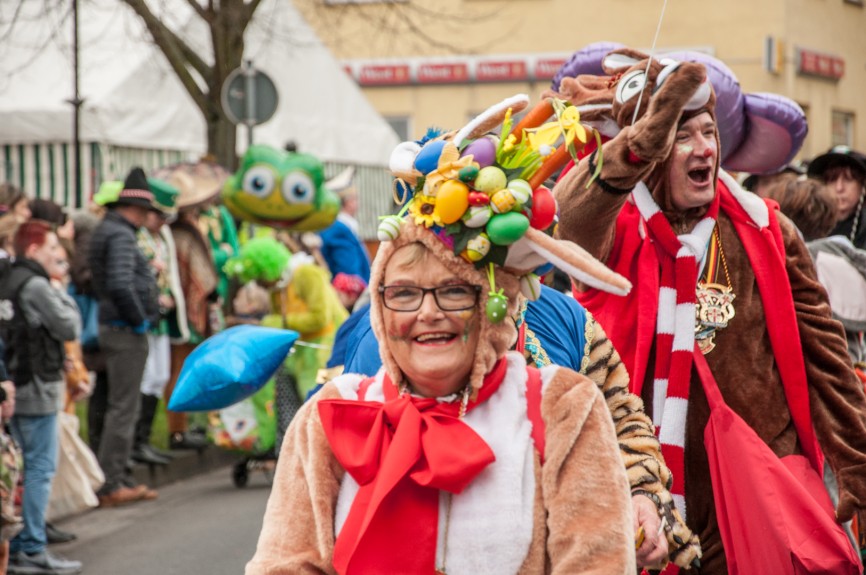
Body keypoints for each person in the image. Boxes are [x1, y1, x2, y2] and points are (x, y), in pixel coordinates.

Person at [553, 48, 866, 573]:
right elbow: (572, 217)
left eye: (709, 132)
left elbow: (826, 356)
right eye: (681, 134)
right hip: (650, 507)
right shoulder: (616, 233)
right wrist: (635, 147)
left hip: (765, 488)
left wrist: (857, 462)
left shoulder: (765, 227)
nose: (704, 148)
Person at [246, 219, 636, 574]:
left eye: (453, 291)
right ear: (380, 308)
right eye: (404, 293)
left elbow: (595, 563)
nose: (428, 312)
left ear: (488, 301)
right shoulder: (331, 414)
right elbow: (286, 565)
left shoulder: (560, 405)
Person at [0, 221, 82, 575]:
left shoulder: (7, 279)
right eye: (52, 249)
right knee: (38, 468)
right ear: (33, 250)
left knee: (16, 467)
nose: (58, 256)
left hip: (15, 382)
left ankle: (14, 542)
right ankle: (31, 545)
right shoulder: (36, 284)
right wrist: (59, 286)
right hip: (38, 386)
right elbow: (69, 326)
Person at [88, 167, 160, 507]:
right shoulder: (120, 235)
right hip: (123, 330)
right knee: (123, 407)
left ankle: (104, 476)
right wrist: (139, 319)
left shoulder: (110, 229)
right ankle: (111, 483)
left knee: (107, 403)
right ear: (137, 209)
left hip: (112, 326)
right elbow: (119, 283)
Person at [132, 179, 182, 466]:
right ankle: (137, 441)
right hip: (146, 313)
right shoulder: (138, 237)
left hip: (161, 314)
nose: (162, 221)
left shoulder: (161, 237)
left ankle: (145, 439)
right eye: (158, 214)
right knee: (148, 375)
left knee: (160, 375)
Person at [318, 167, 371, 283]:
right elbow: (350, 275)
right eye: (355, 198)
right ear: (348, 202)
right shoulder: (339, 229)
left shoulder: (333, 226)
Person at [807, 145, 866, 249]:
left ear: (862, 186)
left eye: (848, 179)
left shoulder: (862, 227)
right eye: (832, 180)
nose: (839, 188)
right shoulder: (809, 223)